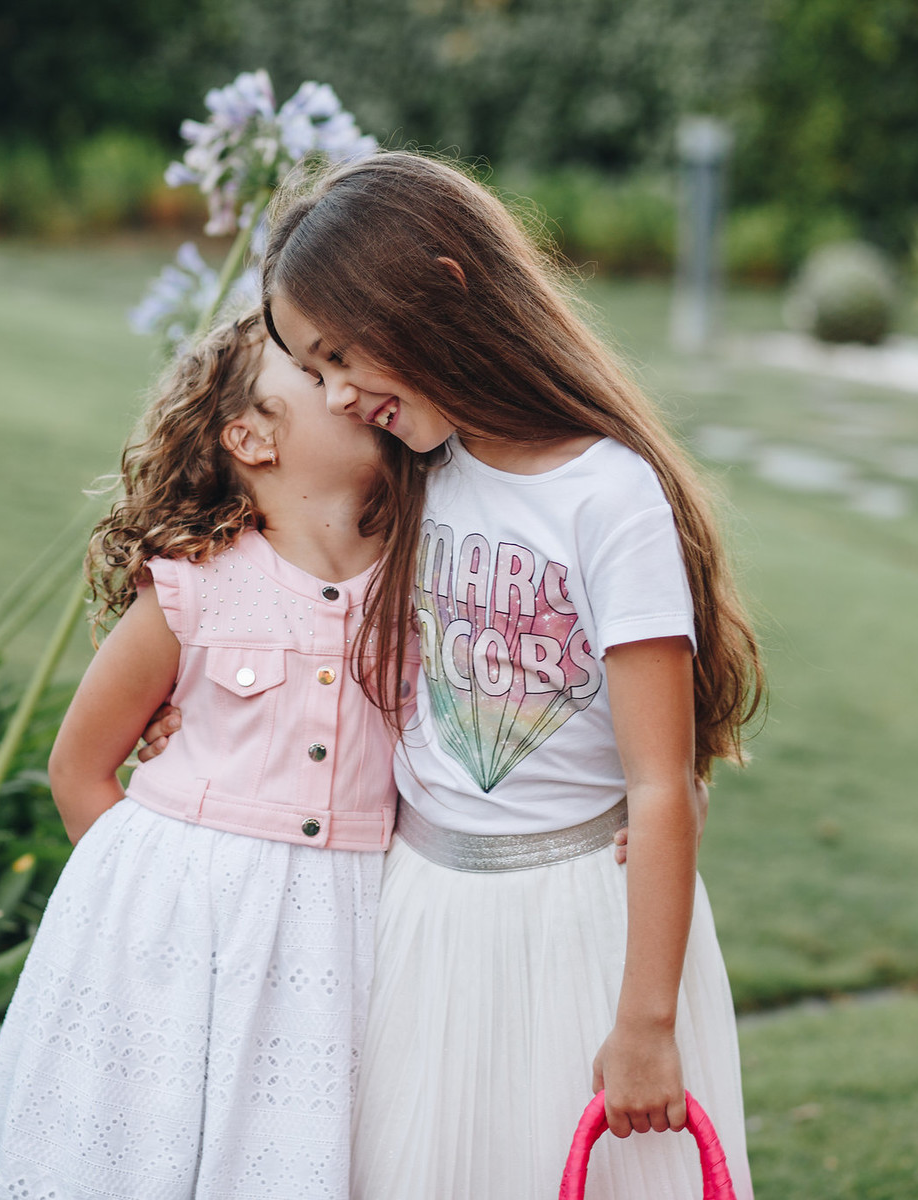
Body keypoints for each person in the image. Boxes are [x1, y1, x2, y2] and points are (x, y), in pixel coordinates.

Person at [261, 151, 764, 1199]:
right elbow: (285, 592)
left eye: (343, 354)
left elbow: (662, 783)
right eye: (315, 372)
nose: (341, 396)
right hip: (426, 920)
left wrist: (645, 1026)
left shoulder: (608, 499)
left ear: (442, 289)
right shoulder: (415, 473)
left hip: (582, 932)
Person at [0, 310, 405, 1200]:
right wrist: (143, 918)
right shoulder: (190, 588)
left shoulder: (421, 580)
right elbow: (79, 767)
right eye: (314, 377)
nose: (348, 387)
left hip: (349, 927)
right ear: (249, 438)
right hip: (178, 938)